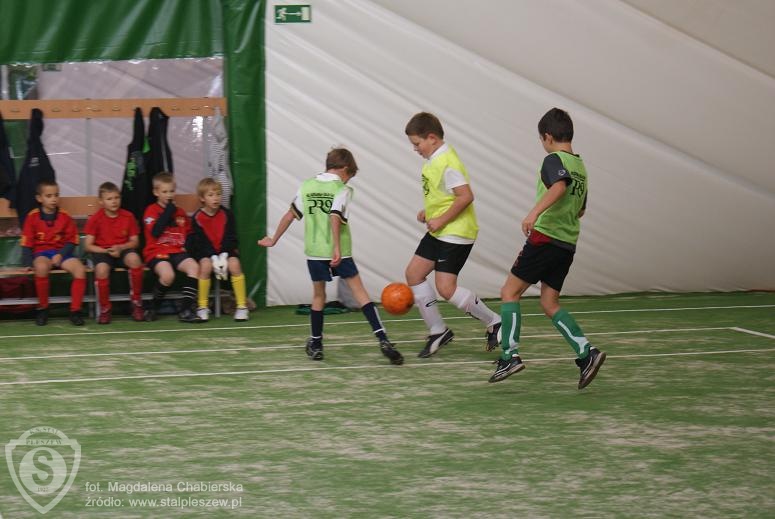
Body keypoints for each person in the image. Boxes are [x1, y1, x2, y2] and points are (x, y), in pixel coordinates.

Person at [489, 107, 606, 388]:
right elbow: (581, 210)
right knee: (549, 303)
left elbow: (559, 187)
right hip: (567, 243)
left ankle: (509, 356)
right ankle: (587, 353)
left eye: (541, 139)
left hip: (545, 237)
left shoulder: (554, 160)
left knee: (509, 292)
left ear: (548, 137)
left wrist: (533, 213)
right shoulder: (581, 167)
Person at [258, 147, 404, 365]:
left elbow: (290, 215)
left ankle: (316, 345)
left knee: (319, 296)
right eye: (350, 175)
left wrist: (274, 239)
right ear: (344, 168)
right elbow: (335, 216)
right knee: (360, 293)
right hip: (340, 251)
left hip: (315, 252)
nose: (348, 180)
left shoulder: (307, 186)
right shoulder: (342, 189)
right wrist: (336, 247)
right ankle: (383, 340)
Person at [404, 112, 501, 358]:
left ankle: (495, 321)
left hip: (456, 232)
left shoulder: (447, 162)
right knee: (414, 273)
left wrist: (440, 219)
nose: (415, 149)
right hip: (441, 230)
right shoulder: (434, 160)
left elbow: (465, 196)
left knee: (446, 288)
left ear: (432, 138)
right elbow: (445, 196)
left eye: (417, 143)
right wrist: (430, 212)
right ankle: (438, 331)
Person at [19, 179, 86, 326]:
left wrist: (61, 254)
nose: (54, 199)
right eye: (49, 196)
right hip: (42, 254)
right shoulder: (32, 217)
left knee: (80, 270)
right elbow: (27, 242)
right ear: (39, 198)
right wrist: (27, 263)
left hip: (62, 254)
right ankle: (43, 309)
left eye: (56, 195)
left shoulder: (65, 216)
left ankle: (75, 311)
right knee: (41, 267)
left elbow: (72, 240)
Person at [187, 178, 249, 322]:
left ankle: (242, 307)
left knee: (235, 264)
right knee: (205, 266)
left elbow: (232, 238)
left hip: (225, 252)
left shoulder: (227, 214)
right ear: (202, 198)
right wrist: (213, 257)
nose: (215, 198)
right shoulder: (197, 218)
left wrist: (224, 254)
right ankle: (202, 307)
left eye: (218, 194)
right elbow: (199, 243)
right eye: (211, 195)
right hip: (206, 254)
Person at [141, 172, 200, 322]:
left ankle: (186, 309)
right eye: (165, 191)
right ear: (156, 192)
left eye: (172, 191)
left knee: (194, 267)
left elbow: (190, 233)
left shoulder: (180, 212)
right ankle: (153, 307)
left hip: (177, 251)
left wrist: (188, 246)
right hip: (156, 251)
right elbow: (155, 232)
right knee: (168, 275)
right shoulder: (151, 210)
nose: (169, 195)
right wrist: (168, 211)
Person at [83, 182, 145, 324]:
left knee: (135, 259)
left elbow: (135, 242)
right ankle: (105, 309)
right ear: (101, 201)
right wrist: (106, 251)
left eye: (117, 198)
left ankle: (136, 303)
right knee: (101, 269)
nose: (114, 201)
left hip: (122, 249)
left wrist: (120, 248)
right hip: (103, 251)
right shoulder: (95, 219)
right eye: (109, 199)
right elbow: (88, 246)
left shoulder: (128, 216)